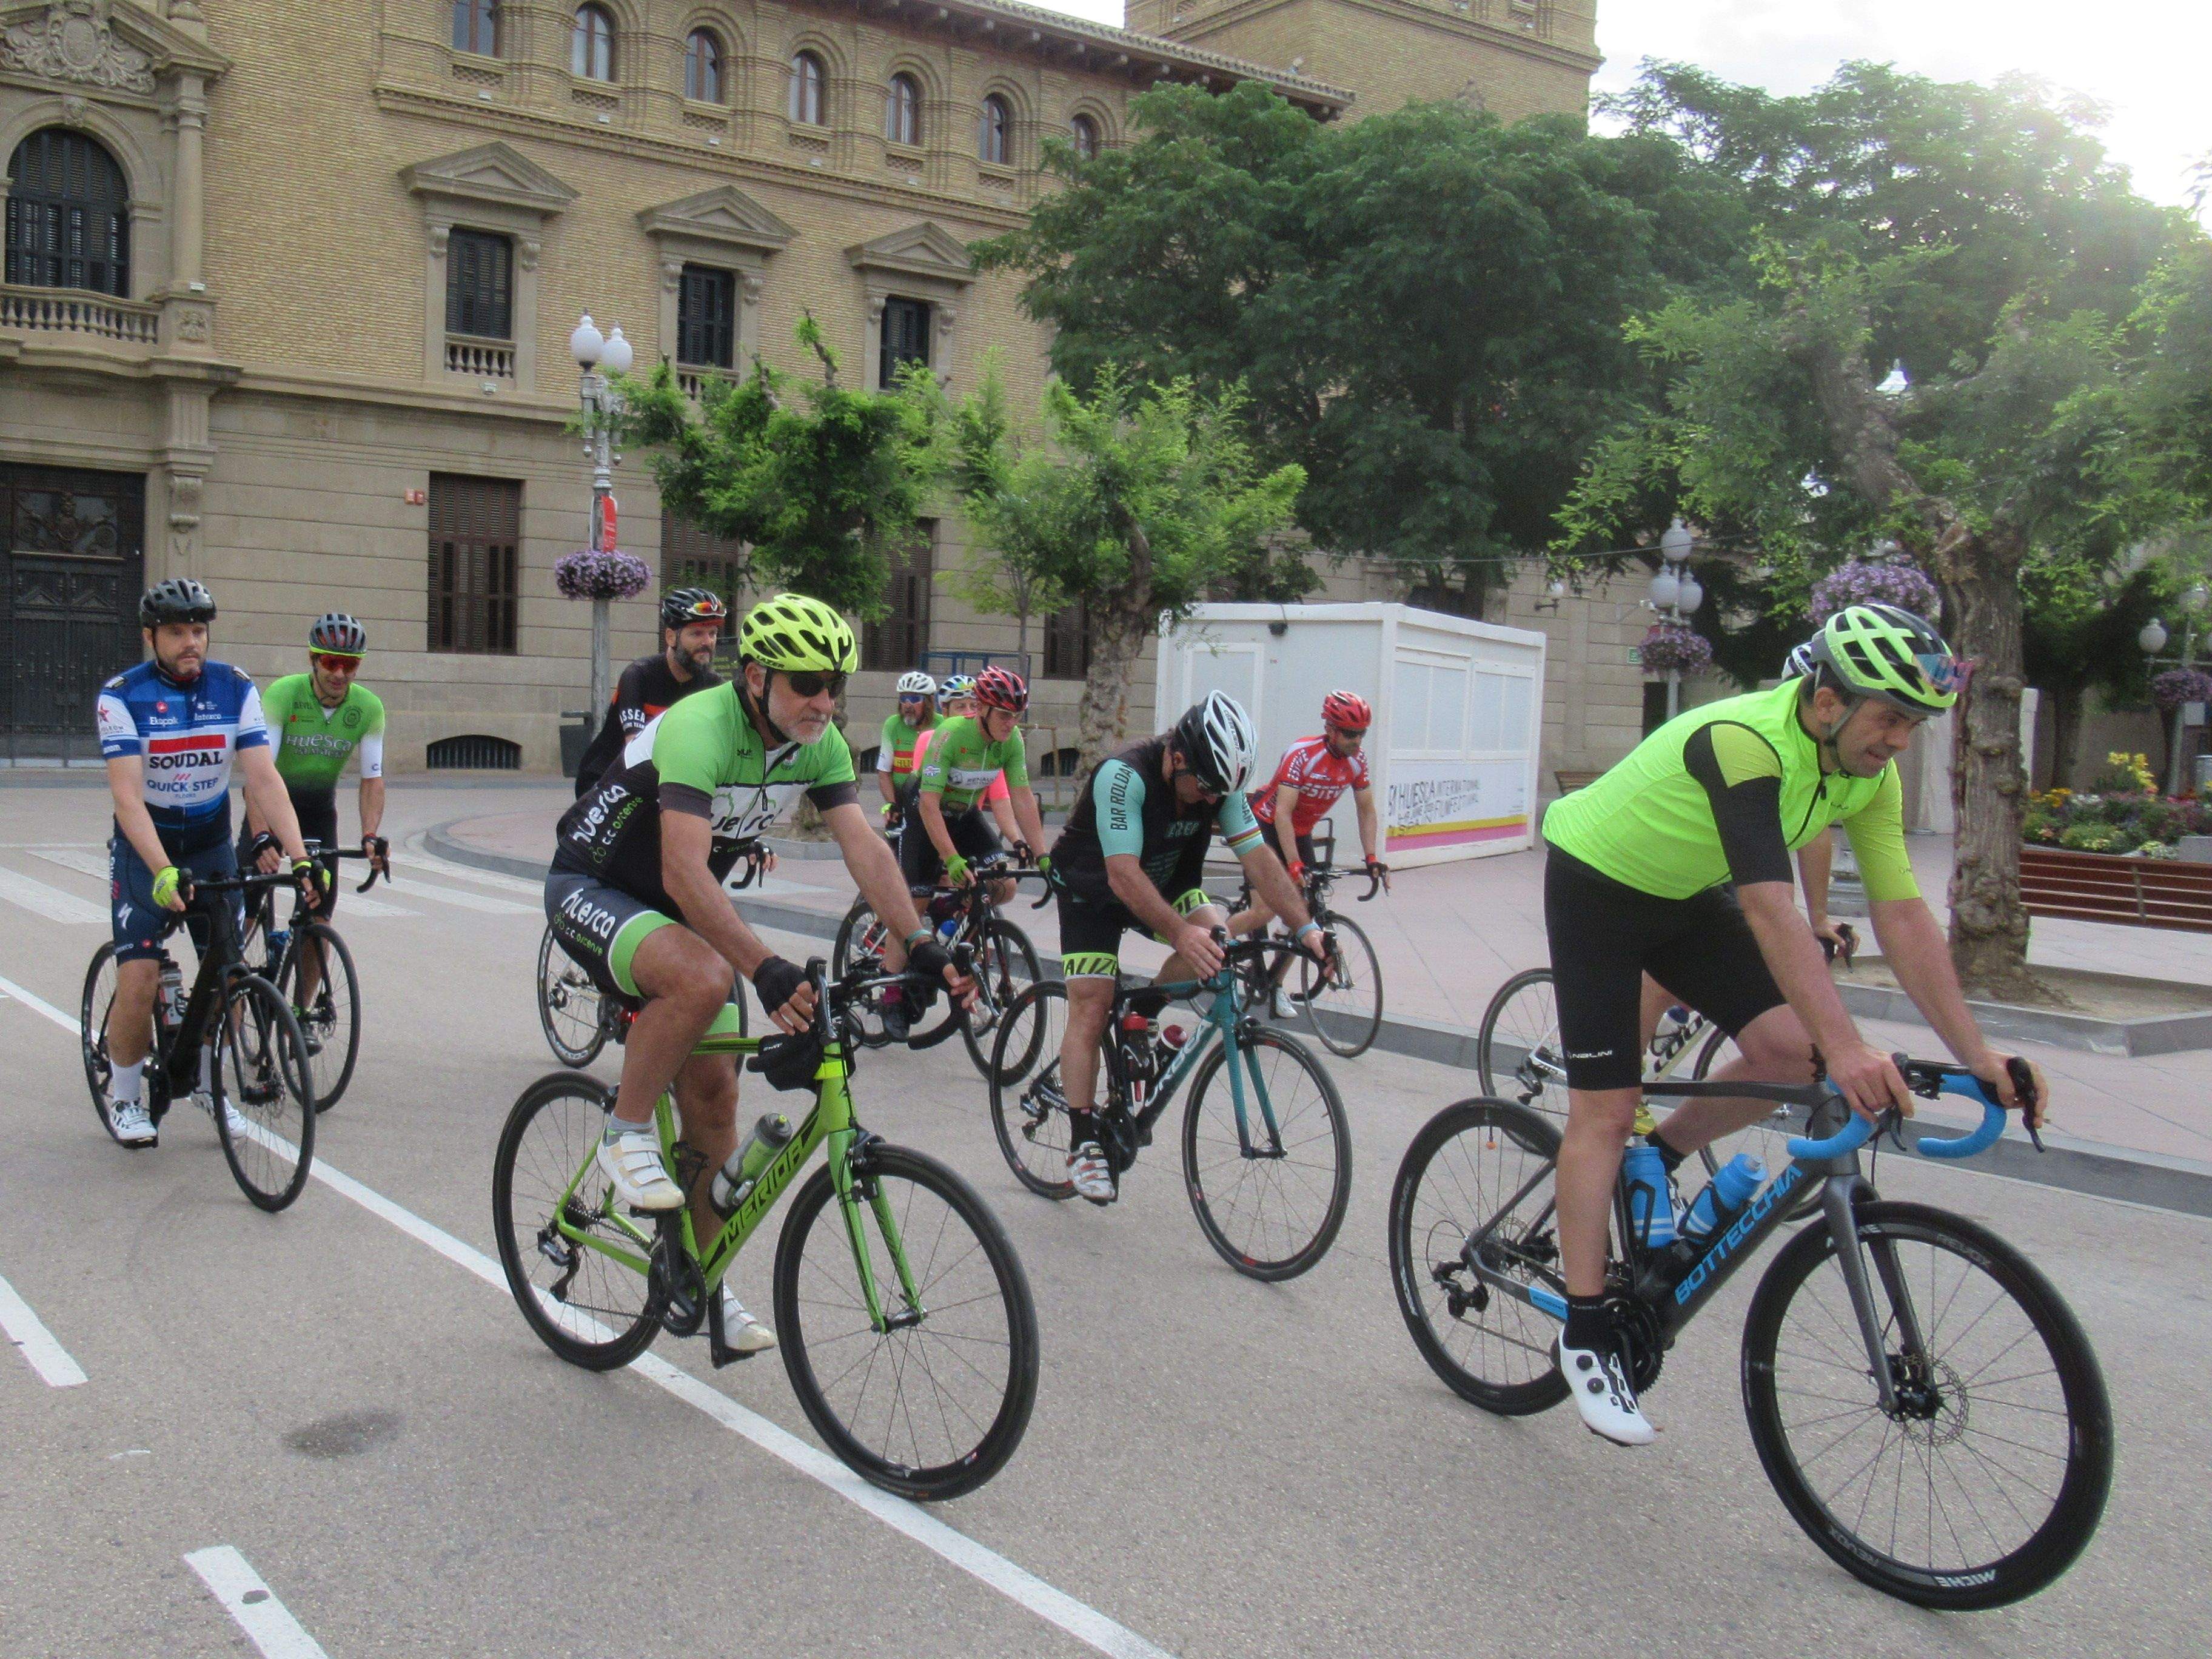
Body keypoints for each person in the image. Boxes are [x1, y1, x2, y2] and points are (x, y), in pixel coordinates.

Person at [1538, 602, 2049, 1446]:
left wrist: (1979, 1053)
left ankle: (1654, 1160)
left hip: (1678, 895)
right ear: (1825, 702)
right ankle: (1586, 1332)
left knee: (1787, 1051)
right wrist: (1849, 1048)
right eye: (1888, 718)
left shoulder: (1866, 776)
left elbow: (1904, 916)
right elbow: (1773, 911)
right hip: (1598, 883)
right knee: (1603, 1105)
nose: (1898, 741)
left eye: (1912, 724)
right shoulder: (1745, 742)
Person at [545, 593, 970, 1352]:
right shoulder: (700, 725)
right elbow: (681, 871)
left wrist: (922, 939)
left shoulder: (821, 742)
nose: (823, 700)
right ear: (755, 676)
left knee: (715, 1095)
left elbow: (866, 850)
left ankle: (701, 1279)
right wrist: (765, 967)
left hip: (673, 911)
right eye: (805, 682)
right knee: (708, 977)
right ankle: (625, 1132)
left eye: (833, 683)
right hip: (595, 885)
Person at [1044, 691, 1327, 1203]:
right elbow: (1123, 876)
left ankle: (1145, 1012)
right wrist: (1180, 933)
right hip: (1094, 886)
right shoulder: (1123, 775)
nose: (1213, 802)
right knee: (1091, 1007)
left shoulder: (1219, 784)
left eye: (1223, 794)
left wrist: (1308, 930)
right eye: (1206, 788)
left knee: (1215, 943)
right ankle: (1083, 1141)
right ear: (1177, 757)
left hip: (1165, 877)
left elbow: (1260, 859)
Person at [96, 580, 323, 1148]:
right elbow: (127, 799)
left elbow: (264, 779)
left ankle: (205, 1082)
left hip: (209, 842)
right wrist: (161, 868)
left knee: (224, 970)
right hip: (147, 845)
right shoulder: (123, 696)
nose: (190, 643)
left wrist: (300, 860)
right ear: (151, 637)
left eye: (198, 631)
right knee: (141, 976)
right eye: (177, 632)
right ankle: (124, 1096)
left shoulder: (234, 687)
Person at [240, 613, 389, 1024]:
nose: (340, 673)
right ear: (313, 659)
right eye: (330, 662)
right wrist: (261, 835)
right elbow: (258, 776)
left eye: (350, 665)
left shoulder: (368, 707)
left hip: (319, 811)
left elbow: (372, 780)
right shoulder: (283, 695)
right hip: (270, 806)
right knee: (245, 909)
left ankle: (302, 1012)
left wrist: (371, 835)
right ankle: (228, 988)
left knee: (319, 912)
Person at [888, 666, 1050, 1037]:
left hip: (964, 814)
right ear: (982, 709)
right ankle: (892, 992)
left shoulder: (1011, 742)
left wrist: (1042, 854)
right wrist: (952, 859)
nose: (1011, 723)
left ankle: (954, 919)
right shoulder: (950, 735)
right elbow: (929, 806)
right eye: (1005, 715)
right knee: (913, 906)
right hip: (924, 812)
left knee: (1003, 885)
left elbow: (1021, 797)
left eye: (1017, 716)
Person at [1226, 689, 1390, 1016]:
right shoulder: (1303, 753)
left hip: (1299, 832)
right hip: (1265, 823)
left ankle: (1274, 985)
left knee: (1307, 912)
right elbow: (1282, 814)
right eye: (1349, 733)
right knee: (1264, 910)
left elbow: (1367, 810)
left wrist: (1371, 858)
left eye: (1362, 734)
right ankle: (1217, 942)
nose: (1357, 741)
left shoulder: (1357, 761)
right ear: (1330, 728)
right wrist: (1295, 864)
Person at [572, 587, 727, 797]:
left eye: (713, 634)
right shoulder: (639, 675)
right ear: (671, 637)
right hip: (605, 781)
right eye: (697, 634)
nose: (707, 642)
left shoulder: (713, 686)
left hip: (659, 783)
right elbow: (635, 749)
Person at [876, 671, 938, 833]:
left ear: (929, 702)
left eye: (915, 699)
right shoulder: (892, 725)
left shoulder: (943, 724)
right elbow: (884, 772)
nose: (908, 704)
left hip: (933, 801)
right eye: (904, 698)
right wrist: (892, 805)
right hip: (901, 800)